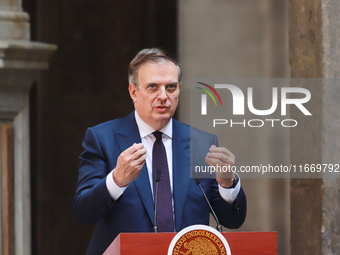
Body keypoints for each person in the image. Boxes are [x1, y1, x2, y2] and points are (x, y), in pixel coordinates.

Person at [73, 48, 246, 255]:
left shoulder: (203, 142)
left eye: (171, 87)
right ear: (133, 91)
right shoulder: (103, 138)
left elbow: (232, 220)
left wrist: (227, 185)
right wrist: (116, 180)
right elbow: (84, 212)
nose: (163, 96)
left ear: (180, 89)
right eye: (153, 87)